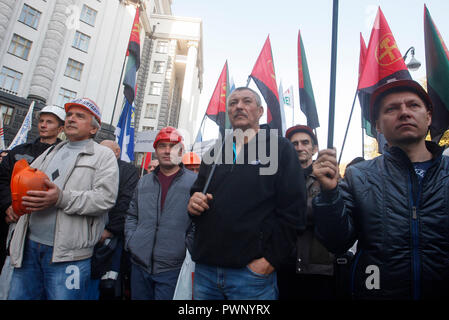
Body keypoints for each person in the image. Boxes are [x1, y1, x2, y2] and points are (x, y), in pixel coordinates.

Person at [313, 79, 449, 299]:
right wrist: (329, 195)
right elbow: (336, 242)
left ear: (429, 117)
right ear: (378, 125)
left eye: (413, 105)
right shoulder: (359, 176)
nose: (404, 113)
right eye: (391, 109)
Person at [187, 87, 307, 300]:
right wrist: (193, 203)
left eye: (246, 101)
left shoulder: (280, 148)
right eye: (233, 103)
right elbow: (196, 194)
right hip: (206, 272)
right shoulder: (215, 152)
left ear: (260, 111)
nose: (239, 107)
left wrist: (270, 261)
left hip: (251, 277)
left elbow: (294, 212)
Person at [7, 98, 119, 300]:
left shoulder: (103, 156)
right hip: (28, 248)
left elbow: (105, 199)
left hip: (69, 256)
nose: (71, 119)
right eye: (69, 115)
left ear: (94, 129)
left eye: (80, 116)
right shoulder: (51, 151)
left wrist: (61, 198)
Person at [125, 126, 197, 300]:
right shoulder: (144, 182)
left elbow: (200, 222)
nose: (167, 150)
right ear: (155, 150)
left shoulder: (194, 182)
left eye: (172, 146)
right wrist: (132, 241)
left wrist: (185, 246)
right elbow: (132, 215)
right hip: (140, 265)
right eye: (162, 146)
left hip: (173, 269)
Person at [0, 105, 65, 271]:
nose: (43, 125)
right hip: (11, 219)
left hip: (42, 223)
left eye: (49, 122)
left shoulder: (63, 156)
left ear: (60, 128)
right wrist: (7, 205)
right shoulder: (19, 151)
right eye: (41, 121)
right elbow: (2, 179)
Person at [277, 124, 336, 300]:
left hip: (318, 265)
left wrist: (287, 211)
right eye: (294, 144)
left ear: (315, 148)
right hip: (284, 264)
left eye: (305, 142)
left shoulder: (327, 177)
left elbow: (328, 213)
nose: (299, 147)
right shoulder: (277, 179)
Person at [88, 140, 139, 300]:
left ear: (117, 152)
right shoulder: (91, 167)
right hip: (85, 235)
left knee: (108, 284)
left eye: (106, 150)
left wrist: (109, 230)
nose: (101, 154)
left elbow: (125, 202)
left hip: (110, 237)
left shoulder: (128, 170)